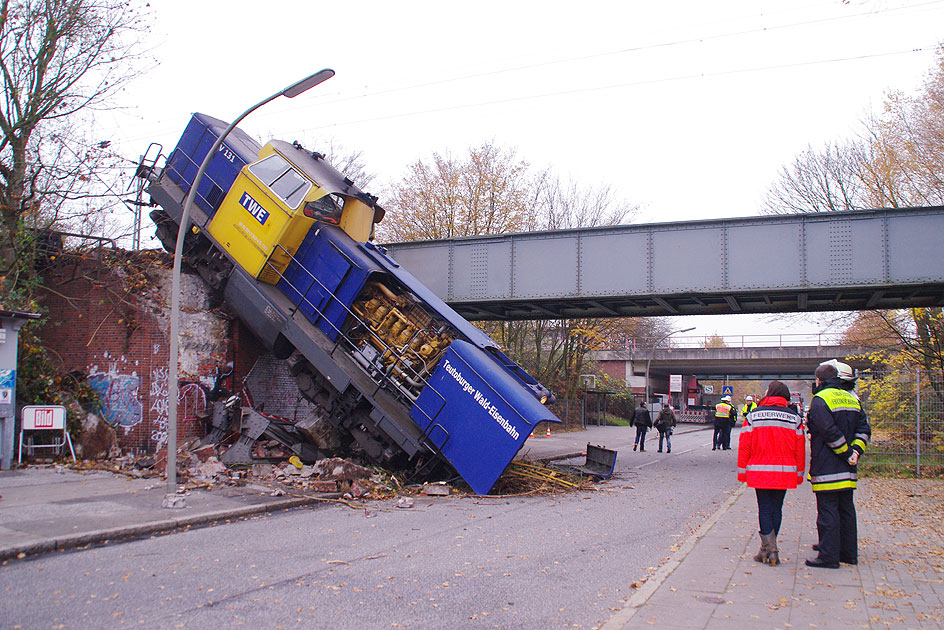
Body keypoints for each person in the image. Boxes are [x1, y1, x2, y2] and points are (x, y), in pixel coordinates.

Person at [805, 359, 871, 569]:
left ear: (819, 379)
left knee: (828, 511)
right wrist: (856, 452)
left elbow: (828, 431)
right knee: (846, 510)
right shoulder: (852, 400)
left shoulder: (820, 399)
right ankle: (849, 554)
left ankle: (829, 556)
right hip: (848, 468)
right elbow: (864, 430)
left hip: (827, 466)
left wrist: (845, 452)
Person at [737, 381, 806, 566]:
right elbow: (800, 448)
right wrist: (800, 473)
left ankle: (771, 549)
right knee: (777, 508)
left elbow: (744, 446)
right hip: (785, 471)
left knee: (764, 508)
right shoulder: (795, 418)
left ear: (769, 394)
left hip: (760, 470)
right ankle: (768, 550)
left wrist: (742, 472)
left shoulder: (753, 416)